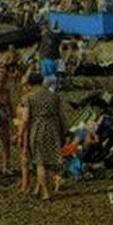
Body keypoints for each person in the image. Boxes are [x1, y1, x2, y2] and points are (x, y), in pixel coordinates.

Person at [24, 73, 67, 201]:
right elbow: (62, 116)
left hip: (38, 128)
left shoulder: (29, 97)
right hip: (53, 128)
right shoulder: (54, 96)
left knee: (40, 162)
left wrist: (20, 133)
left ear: (30, 84)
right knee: (51, 158)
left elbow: (26, 119)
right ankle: (38, 189)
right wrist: (65, 132)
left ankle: (46, 193)